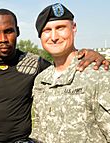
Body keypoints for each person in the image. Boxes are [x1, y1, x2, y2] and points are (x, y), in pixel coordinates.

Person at [0, 8, 109, 143]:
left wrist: (91, 55)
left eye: (9, 31)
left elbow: (64, 67)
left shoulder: (34, 64)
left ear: (17, 31)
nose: (3, 39)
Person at [31, 3, 110, 142]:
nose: (54, 36)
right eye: (47, 30)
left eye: (60, 28)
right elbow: (39, 130)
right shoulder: (41, 81)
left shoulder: (98, 74)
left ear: (74, 28)